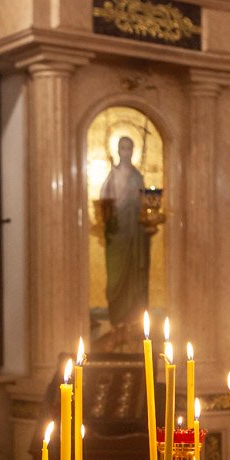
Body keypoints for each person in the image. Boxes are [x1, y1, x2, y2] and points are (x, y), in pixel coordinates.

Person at [97, 136, 150, 340]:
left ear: (133, 151)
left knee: (135, 277)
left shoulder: (138, 176)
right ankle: (117, 320)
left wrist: (147, 216)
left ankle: (132, 322)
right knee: (116, 278)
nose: (126, 152)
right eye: (123, 148)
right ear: (118, 150)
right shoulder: (113, 175)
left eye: (129, 148)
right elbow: (103, 204)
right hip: (117, 236)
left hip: (136, 236)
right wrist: (106, 217)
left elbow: (145, 204)